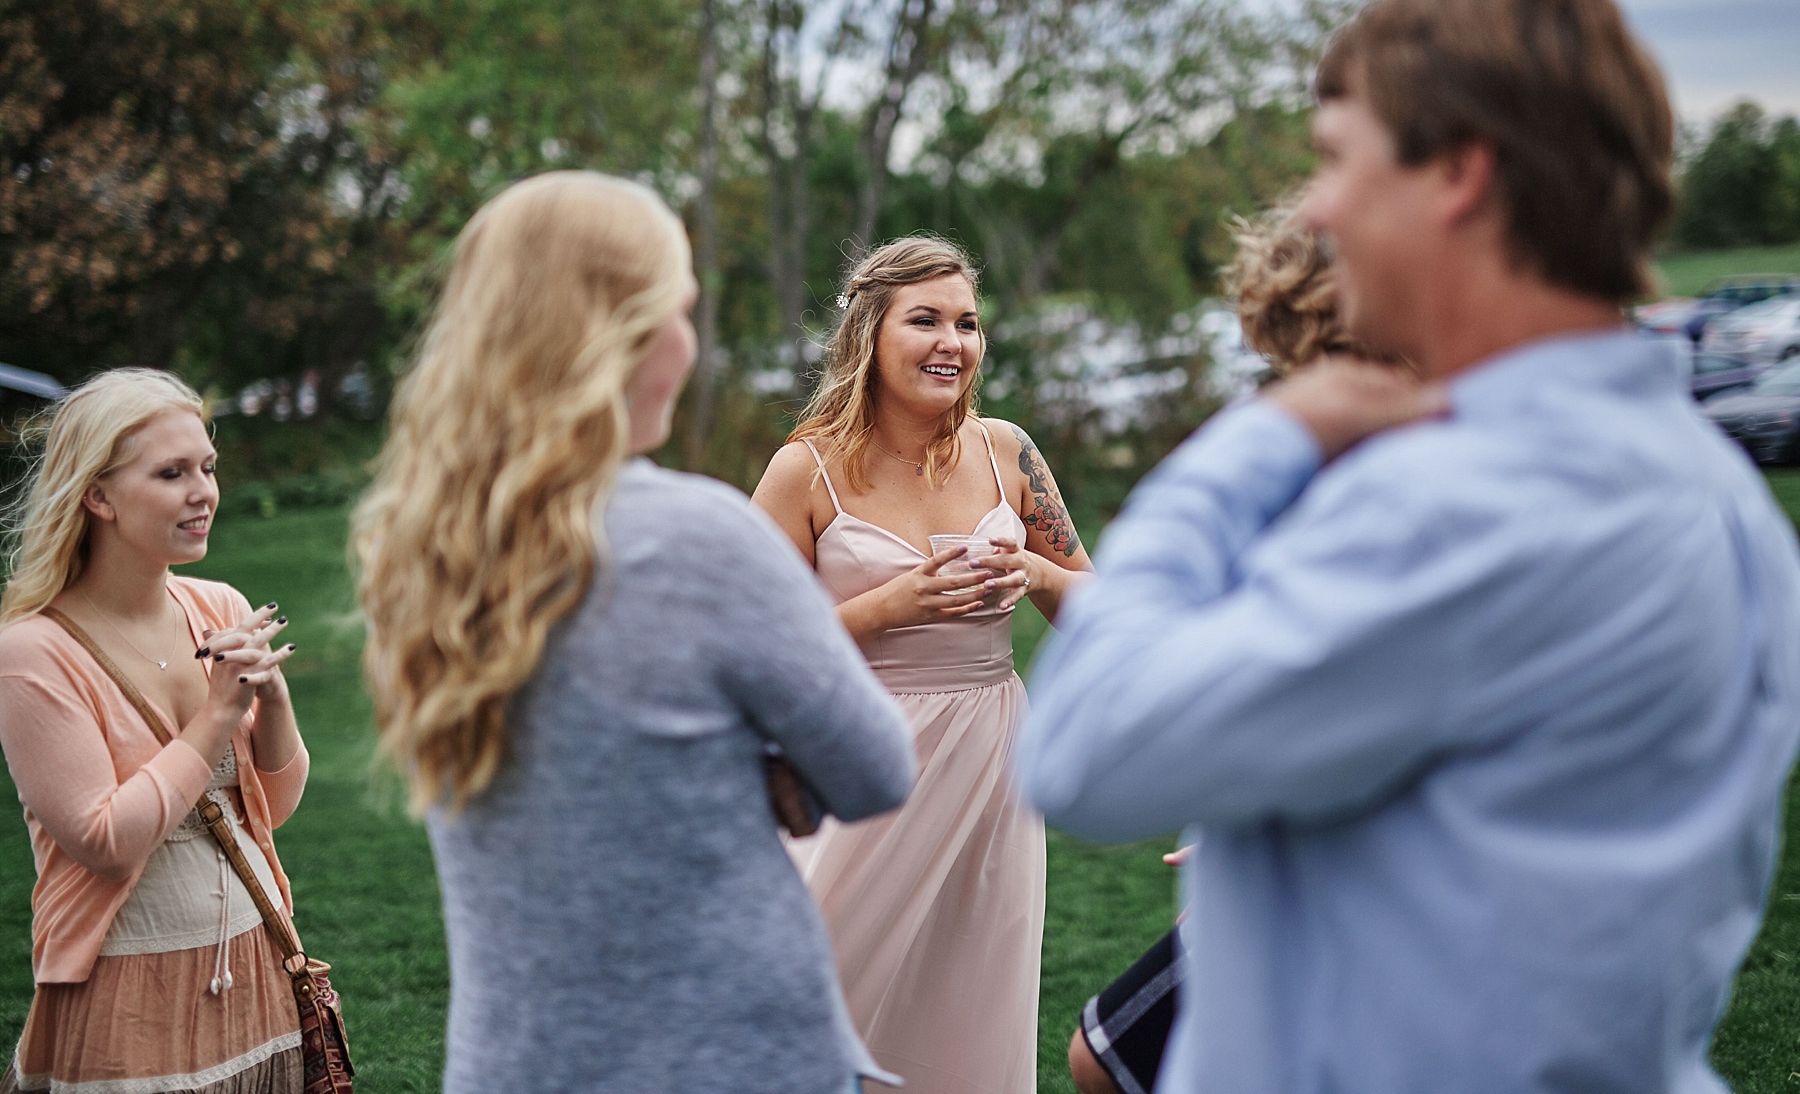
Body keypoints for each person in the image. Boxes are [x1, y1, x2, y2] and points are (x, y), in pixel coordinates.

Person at [1019, 0, 1800, 1094]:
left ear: (1460, 175)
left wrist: (1260, 442)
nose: (1320, 210)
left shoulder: (1456, 502)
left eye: (1339, 159)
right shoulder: (1722, 494)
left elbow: (1084, 748)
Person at [352, 171, 917, 1094]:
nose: (689, 345)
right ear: (620, 336)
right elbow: (874, 767)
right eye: (679, 312)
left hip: (515, 1061)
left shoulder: (418, 555)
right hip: (720, 1057)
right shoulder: (695, 536)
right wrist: (763, 763)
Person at [752, 235, 1093, 1093]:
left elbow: (1106, 618)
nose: (954, 341)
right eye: (927, 320)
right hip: (858, 762)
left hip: (990, 762)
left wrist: (1040, 572)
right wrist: (886, 607)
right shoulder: (806, 472)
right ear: (870, 333)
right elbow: (752, 655)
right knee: (804, 996)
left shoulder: (1007, 453)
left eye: (968, 323)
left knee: (967, 1004)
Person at [1065, 200, 1361, 1094]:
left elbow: (1085, 753)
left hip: (1341, 886)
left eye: (1302, 364)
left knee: (1101, 1058)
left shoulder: (1366, 490)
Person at [0, 369, 307, 1094]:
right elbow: (106, 844)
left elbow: (270, 812)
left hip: (256, 968)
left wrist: (276, 698)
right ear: (97, 495)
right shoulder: (34, 651)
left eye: (207, 467)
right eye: (172, 473)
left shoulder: (216, 605)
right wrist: (217, 716)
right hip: (130, 985)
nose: (203, 492)